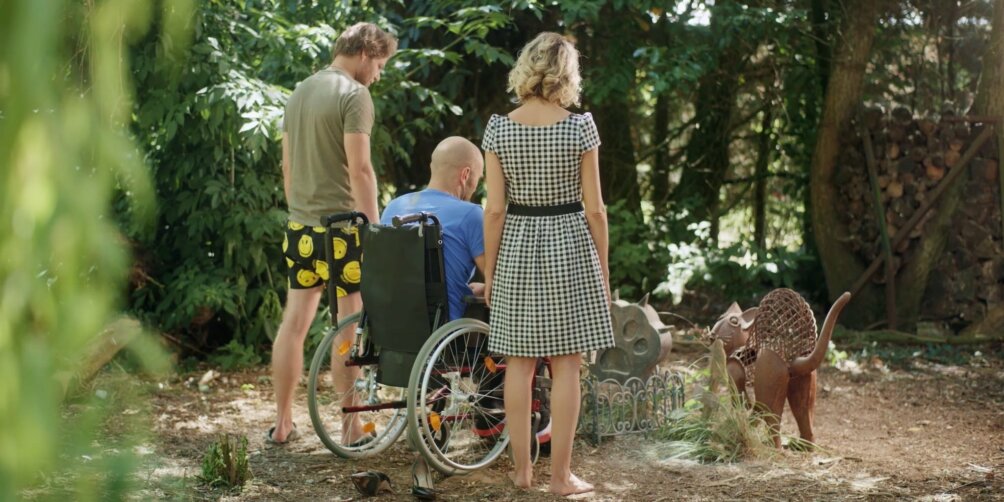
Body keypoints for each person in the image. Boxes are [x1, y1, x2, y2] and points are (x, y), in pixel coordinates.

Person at [481, 32, 614, 496]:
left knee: (519, 362)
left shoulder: (498, 129)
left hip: (517, 243)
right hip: (570, 246)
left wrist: (491, 272)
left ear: (527, 67)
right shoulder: (581, 128)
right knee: (566, 365)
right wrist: (603, 266)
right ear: (566, 74)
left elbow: (493, 210)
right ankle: (559, 478)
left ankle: (521, 472)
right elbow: (595, 209)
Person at [269, 22, 396, 445]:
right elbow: (360, 169)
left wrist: (300, 210)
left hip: (301, 226)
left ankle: (283, 422)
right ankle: (350, 427)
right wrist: (374, 227)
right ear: (363, 53)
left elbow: (287, 168)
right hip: (342, 229)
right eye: (379, 64)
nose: (378, 74)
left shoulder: (300, 91)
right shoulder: (355, 95)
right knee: (348, 326)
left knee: (294, 324)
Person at [380, 137, 486, 321]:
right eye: (478, 177)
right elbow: (501, 281)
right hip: (442, 330)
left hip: (391, 326)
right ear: (465, 174)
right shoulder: (470, 215)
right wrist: (487, 287)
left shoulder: (393, 208)